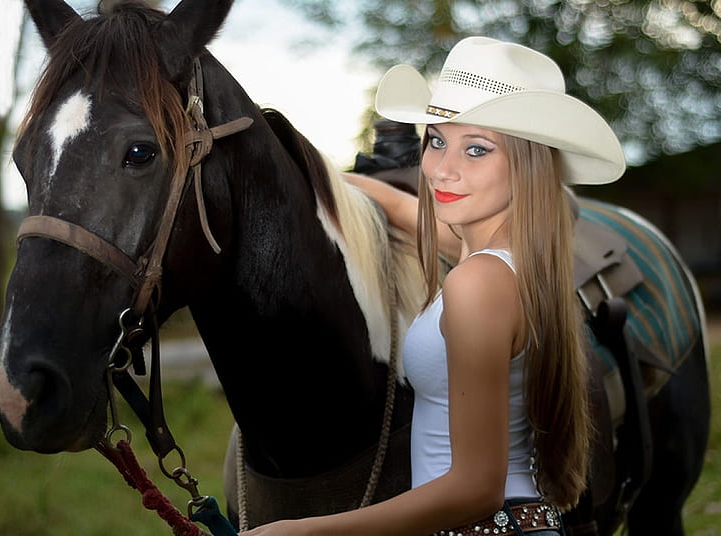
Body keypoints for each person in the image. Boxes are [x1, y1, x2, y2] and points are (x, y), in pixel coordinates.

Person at [240, 36, 625, 536]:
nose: (444, 169)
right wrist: (316, 175)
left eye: (477, 149)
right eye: (437, 140)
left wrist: (304, 530)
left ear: (528, 164)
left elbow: (475, 489)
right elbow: (404, 208)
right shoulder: (512, 259)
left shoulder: (478, 283)